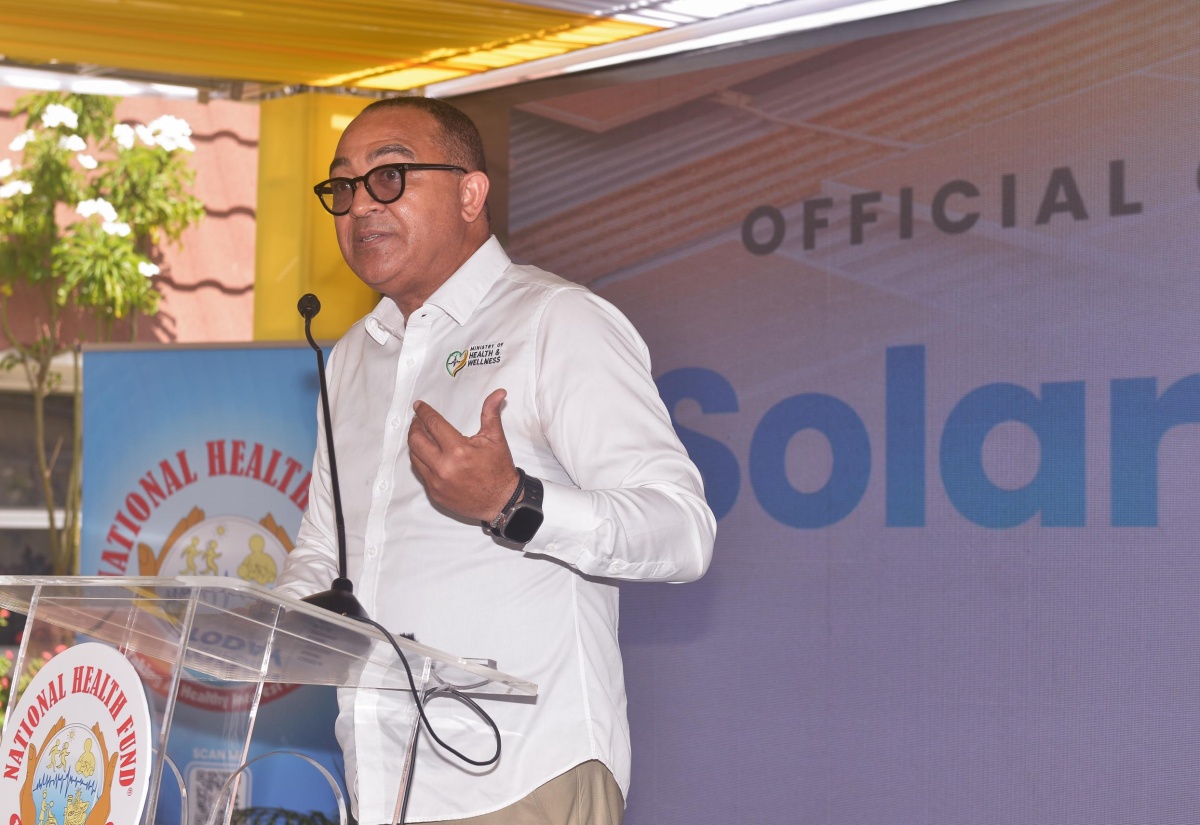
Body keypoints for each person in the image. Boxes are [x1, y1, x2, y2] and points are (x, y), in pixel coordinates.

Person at [275, 96, 716, 825]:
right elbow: (325, 552)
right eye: (343, 186)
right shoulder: (351, 355)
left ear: (471, 193)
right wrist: (253, 641)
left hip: (522, 775)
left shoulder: (554, 321)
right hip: (381, 783)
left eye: (389, 176)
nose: (359, 206)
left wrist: (515, 503)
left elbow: (682, 529)